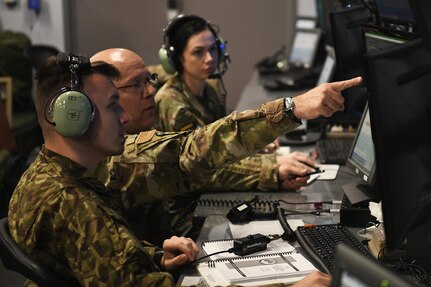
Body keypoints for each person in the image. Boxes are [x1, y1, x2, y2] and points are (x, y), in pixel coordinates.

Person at [6, 52, 352, 286]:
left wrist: (151, 255)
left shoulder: (53, 173)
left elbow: (185, 154)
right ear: (74, 120)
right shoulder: (72, 203)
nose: (124, 117)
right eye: (113, 106)